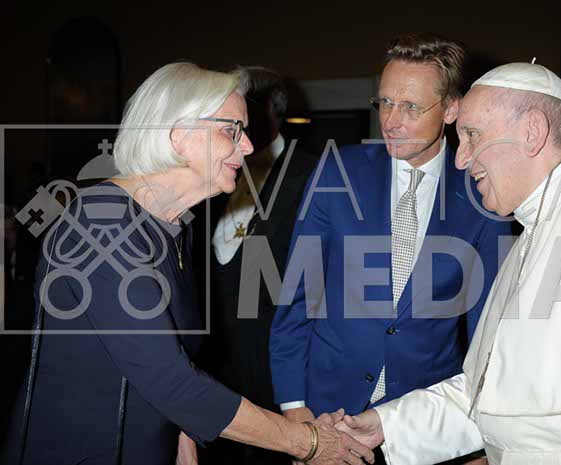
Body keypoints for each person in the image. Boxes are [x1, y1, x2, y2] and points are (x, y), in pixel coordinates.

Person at [0, 62, 373, 465]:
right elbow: (169, 378)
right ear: (178, 135)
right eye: (232, 130)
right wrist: (307, 442)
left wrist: (181, 431)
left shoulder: (176, 225)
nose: (249, 146)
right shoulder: (100, 223)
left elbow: (172, 357)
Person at [337, 61, 561, 465]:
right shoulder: (533, 228)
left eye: (472, 135)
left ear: (532, 132)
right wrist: (387, 426)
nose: (461, 160)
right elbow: (494, 398)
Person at [269, 33, 510, 462]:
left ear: (451, 109)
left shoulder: (482, 194)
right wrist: (294, 410)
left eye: (411, 107)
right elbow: (297, 297)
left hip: (427, 422)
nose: (391, 121)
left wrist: (480, 437)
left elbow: (486, 333)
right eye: (384, 102)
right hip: (328, 415)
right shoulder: (337, 171)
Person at [199, 67, 318, 465]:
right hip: (211, 376)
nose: (237, 123)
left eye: (244, 109)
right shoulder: (209, 172)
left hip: (277, 376)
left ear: (272, 110)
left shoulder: (312, 174)